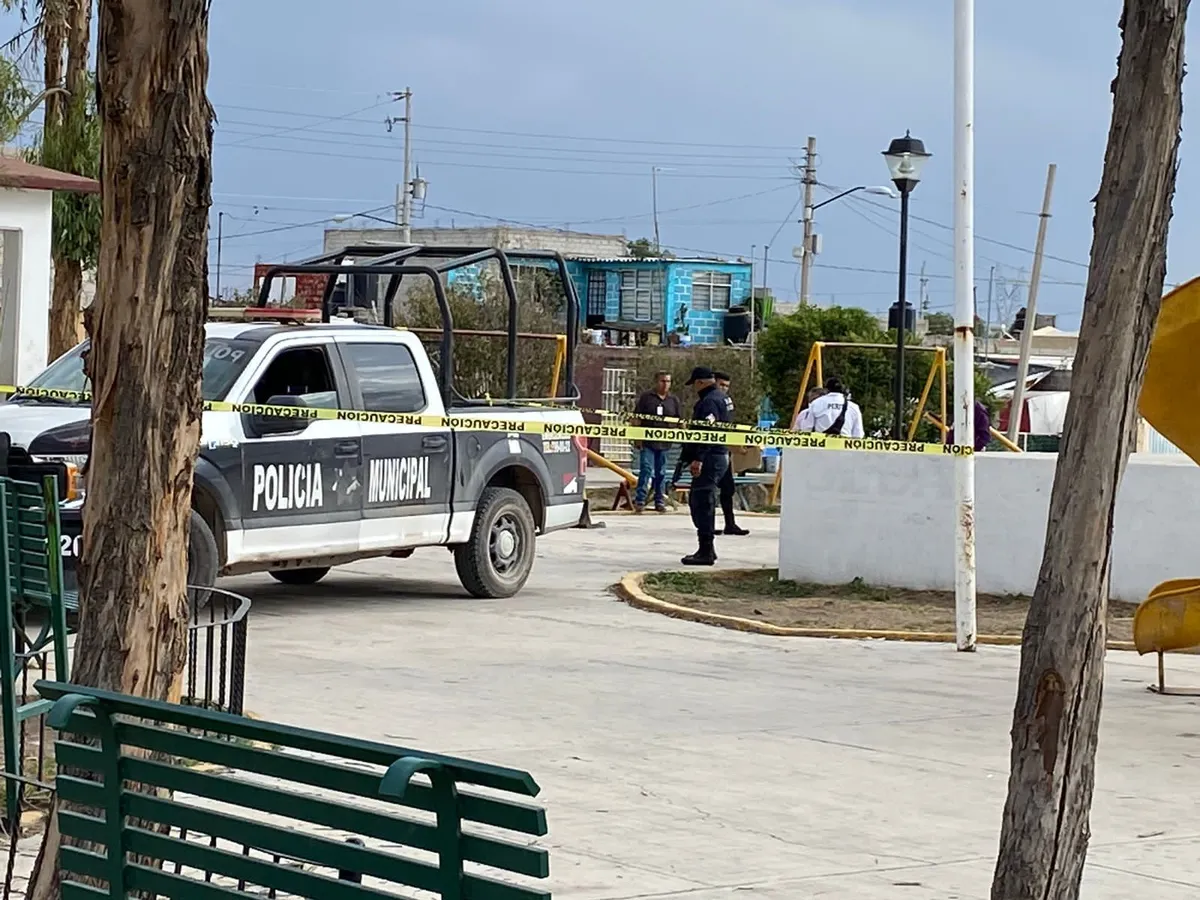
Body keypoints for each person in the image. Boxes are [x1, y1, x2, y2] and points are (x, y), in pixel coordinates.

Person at [678, 366, 731, 566]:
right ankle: (707, 549)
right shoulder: (721, 397)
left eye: (694, 384)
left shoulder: (709, 402)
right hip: (719, 454)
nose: (694, 389)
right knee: (703, 501)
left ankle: (706, 551)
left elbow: (706, 432)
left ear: (700, 382)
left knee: (701, 503)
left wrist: (698, 458)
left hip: (710, 457)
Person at [631, 371, 682, 513]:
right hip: (648, 443)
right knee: (646, 470)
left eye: (668, 381)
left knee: (661, 472)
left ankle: (659, 500)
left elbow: (680, 421)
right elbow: (637, 418)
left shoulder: (673, 400)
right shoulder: (646, 398)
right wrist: (637, 438)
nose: (665, 384)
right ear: (656, 382)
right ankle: (640, 500)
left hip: (665, 444)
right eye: (662, 381)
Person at [713, 371, 749, 537]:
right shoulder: (710, 401)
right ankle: (709, 524)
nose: (724, 389)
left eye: (727, 386)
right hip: (711, 452)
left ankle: (730, 523)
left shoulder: (726, 402)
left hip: (723, 450)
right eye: (721, 385)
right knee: (710, 490)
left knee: (728, 488)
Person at [794, 376, 864, 437]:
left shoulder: (816, 403)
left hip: (820, 447)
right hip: (844, 448)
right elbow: (858, 434)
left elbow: (807, 429)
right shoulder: (853, 407)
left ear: (826, 389)